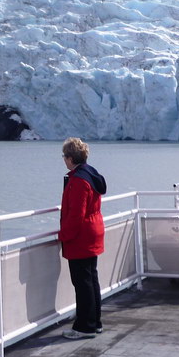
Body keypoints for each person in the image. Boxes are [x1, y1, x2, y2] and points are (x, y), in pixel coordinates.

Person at [58, 137, 107, 340]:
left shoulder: (79, 181)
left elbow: (76, 214)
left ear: (70, 158)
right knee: (91, 279)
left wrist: (63, 236)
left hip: (81, 237)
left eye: (64, 156)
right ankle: (95, 323)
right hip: (93, 231)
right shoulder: (91, 174)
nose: (63, 160)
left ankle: (84, 327)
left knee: (82, 282)